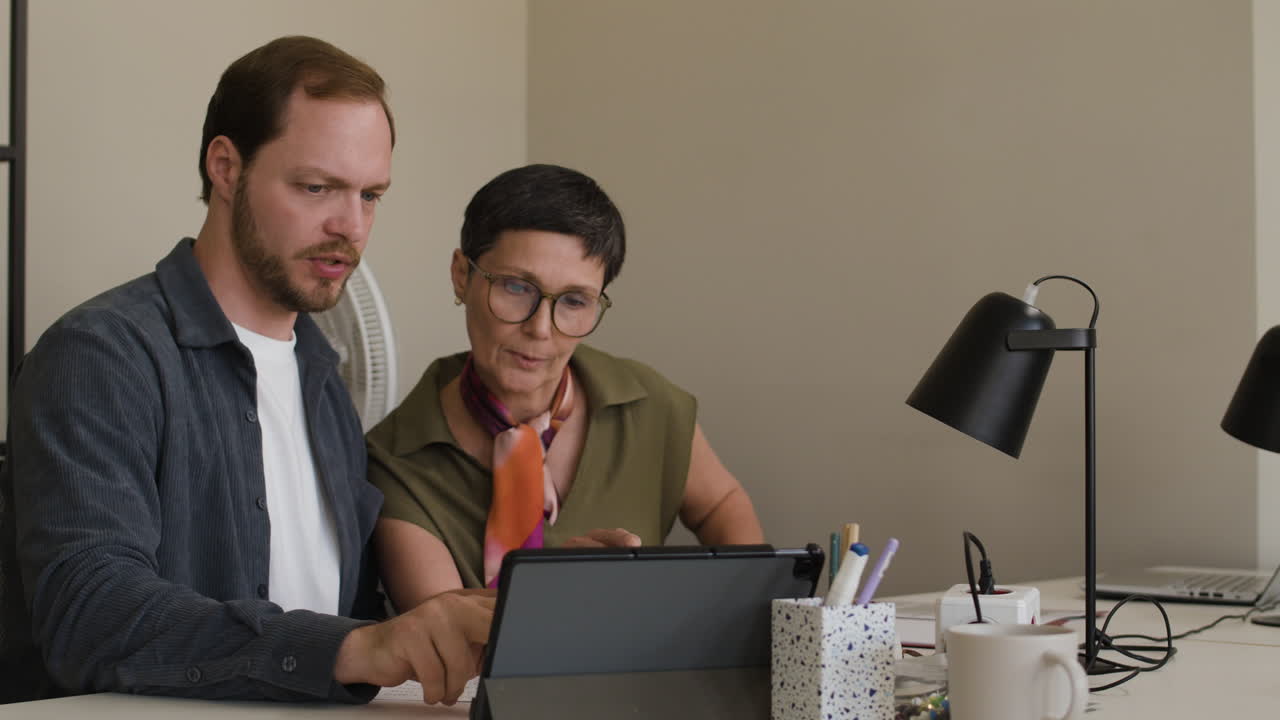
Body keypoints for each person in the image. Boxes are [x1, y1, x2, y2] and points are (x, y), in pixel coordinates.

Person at [0, 36, 490, 705]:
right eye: (317, 187)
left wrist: (513, 605)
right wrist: (353, 647)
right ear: (226, 169)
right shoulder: (100, 355)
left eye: (371, 195)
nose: (351, 226)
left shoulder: (324, 378)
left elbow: (344, 609)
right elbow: (89, 613)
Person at [366, 164, 765, 611]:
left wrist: (740, 609)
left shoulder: (649, 403)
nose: (541, 328)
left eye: (575, 301)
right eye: (517, 287)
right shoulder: (394, 460)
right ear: (462, 275)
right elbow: (447, 634)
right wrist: (564, 591)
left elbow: (721, 504)